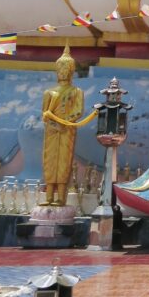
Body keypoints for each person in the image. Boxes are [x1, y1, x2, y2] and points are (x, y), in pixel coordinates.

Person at [41, 44, 84, 207]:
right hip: (51, 130)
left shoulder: (76, 91)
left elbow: (78, 111)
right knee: (50, 160)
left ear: (72, 71)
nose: (63, 71)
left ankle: (61, 197)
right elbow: (44, 114)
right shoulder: (49, 92)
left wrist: (65, 122)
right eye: (61, 68)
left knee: (64, 161)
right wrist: (54, 122)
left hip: (67, 130)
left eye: (67, 68)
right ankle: (49, 196)